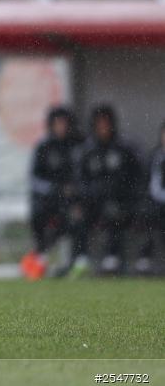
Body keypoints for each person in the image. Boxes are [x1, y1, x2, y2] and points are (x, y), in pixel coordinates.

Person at [73, 104, 143, 275]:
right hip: (92, 201)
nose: (103, 127)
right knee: (76, 215)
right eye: (99, 123)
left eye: (106, 123)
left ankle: (113, 257)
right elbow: (79, 180)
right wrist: (86, 195)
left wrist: (125, 196)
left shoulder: (125, 149)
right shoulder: (86, 151)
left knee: (114, 212)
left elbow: (136, 178)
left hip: (120, 201)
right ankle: (81, 258)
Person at [20, 106, 82, 280]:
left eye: (64, 123)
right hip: (48, 200)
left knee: (76, 219)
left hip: (71, 200)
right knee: (39, 215)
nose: (61, 127)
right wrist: (53, 189)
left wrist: (76, 192)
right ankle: (40, 257)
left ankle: (76, 263)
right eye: (58, 123)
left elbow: (82, 175)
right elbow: (34, 178)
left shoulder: (77, 146)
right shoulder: (44, 147)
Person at [136, 122, 165, 274]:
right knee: (146, 215)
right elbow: (145, 182)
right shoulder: (154, 156)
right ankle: (144, 258)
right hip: (155, 204)